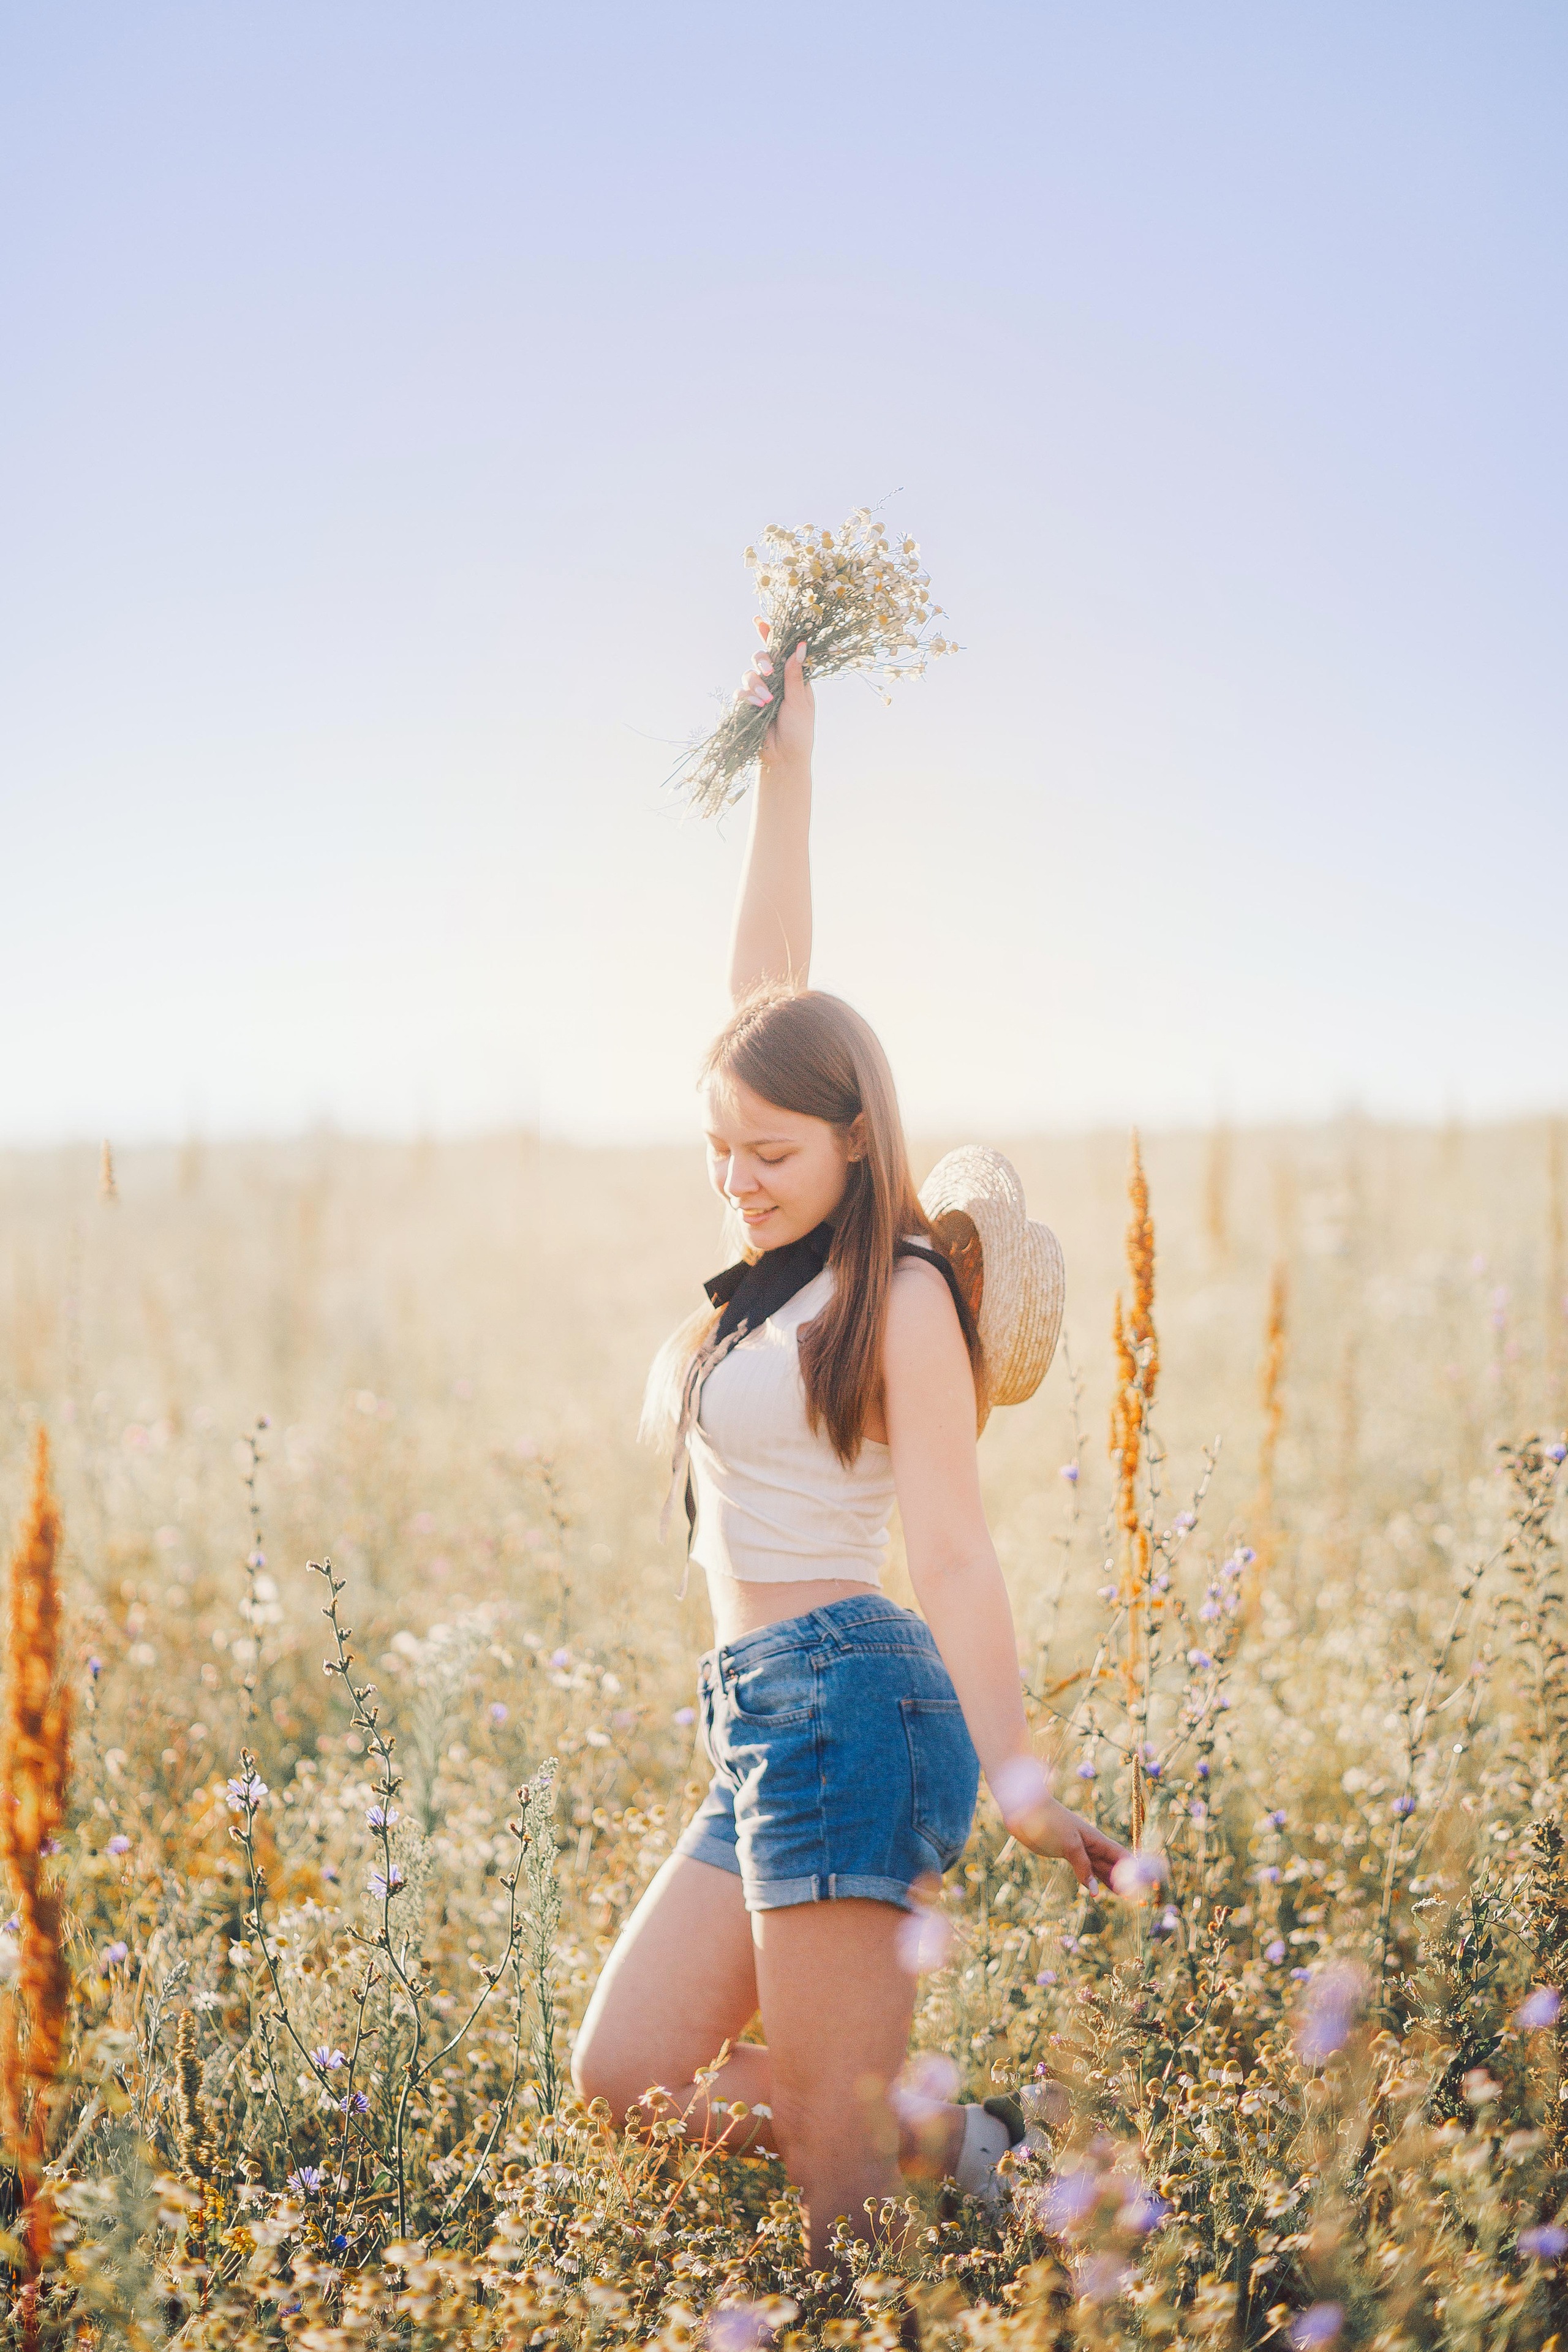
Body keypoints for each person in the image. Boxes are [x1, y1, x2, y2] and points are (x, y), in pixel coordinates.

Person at [572, 620, 1129, 2269]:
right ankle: (972, 2138)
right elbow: (769, 989)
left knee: (834, 2198)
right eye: (718, 1146)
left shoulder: (896, 1298)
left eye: (770, 1149)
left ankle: (913, 2174)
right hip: (765, 1718)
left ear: (857, 1135)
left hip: (852, 1708)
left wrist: (1024, 1784)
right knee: (627, 2078)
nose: (737, 1174)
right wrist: (787, 772)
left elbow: (952, 1548)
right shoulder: (776, 1273)